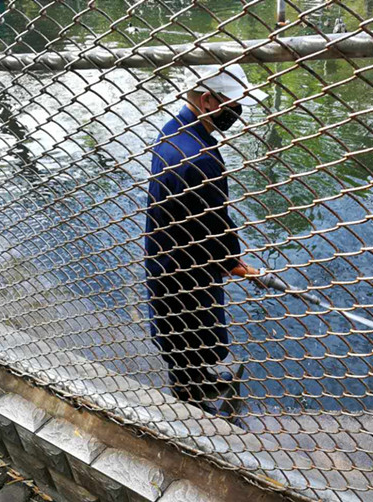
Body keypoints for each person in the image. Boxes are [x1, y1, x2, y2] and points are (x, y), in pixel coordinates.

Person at [145, 64, 267, 405]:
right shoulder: (202, 157)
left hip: (166, 254)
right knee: (193, 327)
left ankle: (193, 382)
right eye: (233, 102)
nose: (238, 111)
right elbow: (215, 223)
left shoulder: (172, 131)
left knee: (177, 330)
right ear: (209, 101)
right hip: (189, 264)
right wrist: (235, 264)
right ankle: (191, 399)